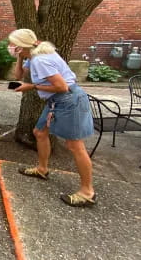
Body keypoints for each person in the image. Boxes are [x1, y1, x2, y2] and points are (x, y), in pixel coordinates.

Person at [8, 28, 95, 207]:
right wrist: (19, 57)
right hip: (55, 101)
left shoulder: (41, 59)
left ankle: (87, 192)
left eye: (14, 44)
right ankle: (42, 169)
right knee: (39, 132)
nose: (10, 46)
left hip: (69, 100)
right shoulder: (33, 56)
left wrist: (32, 87)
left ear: (21, 45)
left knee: (74, 145)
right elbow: (18, 76)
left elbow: (62, 87)